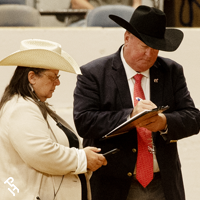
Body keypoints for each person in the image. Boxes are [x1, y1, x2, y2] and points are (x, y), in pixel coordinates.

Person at [73, 5, 200, 200]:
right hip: (113, 185)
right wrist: (130, 117)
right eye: (144, 46)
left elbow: (193, 118)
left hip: (163, 183)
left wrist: (164, 122)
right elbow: (84, 122)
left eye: (155, 48)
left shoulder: (171, 71)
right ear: (126, 38)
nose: (149, 54)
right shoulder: (94, 74)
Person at [0, 39, 107, 200]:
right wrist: (82, 158)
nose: (57, 82)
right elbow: (41, 153)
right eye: (52, 77)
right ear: (32, 77)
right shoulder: (21, 108)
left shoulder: (31, 105)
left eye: (58, 77)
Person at [67, 0, 141, 26]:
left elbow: (137, 5)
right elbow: (77, 2)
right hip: (86, 22)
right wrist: (99, 16)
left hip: (123, 24)